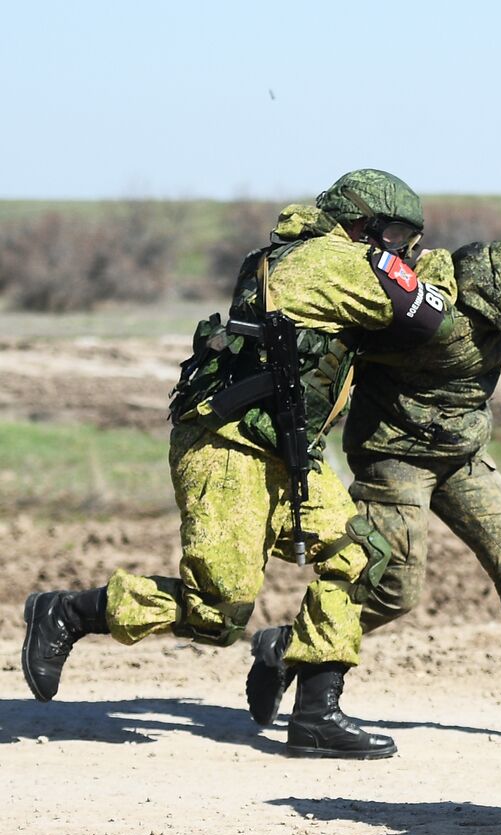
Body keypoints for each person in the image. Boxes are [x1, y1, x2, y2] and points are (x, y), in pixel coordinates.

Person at [21, 169, 457, 760]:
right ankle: (68, 611)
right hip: (229, 447)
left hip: (285, 449)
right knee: (218, 611)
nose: (403, 248)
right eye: (398, 234)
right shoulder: (330, 261)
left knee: (358, 556)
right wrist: (438, 269)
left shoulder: (291, 255)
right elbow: (430, 317)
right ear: (363, 225)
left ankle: (316, 715)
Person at [243, 239, 501, 743]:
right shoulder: (439, 306)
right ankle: (291, 651)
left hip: (461, 453)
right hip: (394, 453)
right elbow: (358, 340)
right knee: (391, 587)